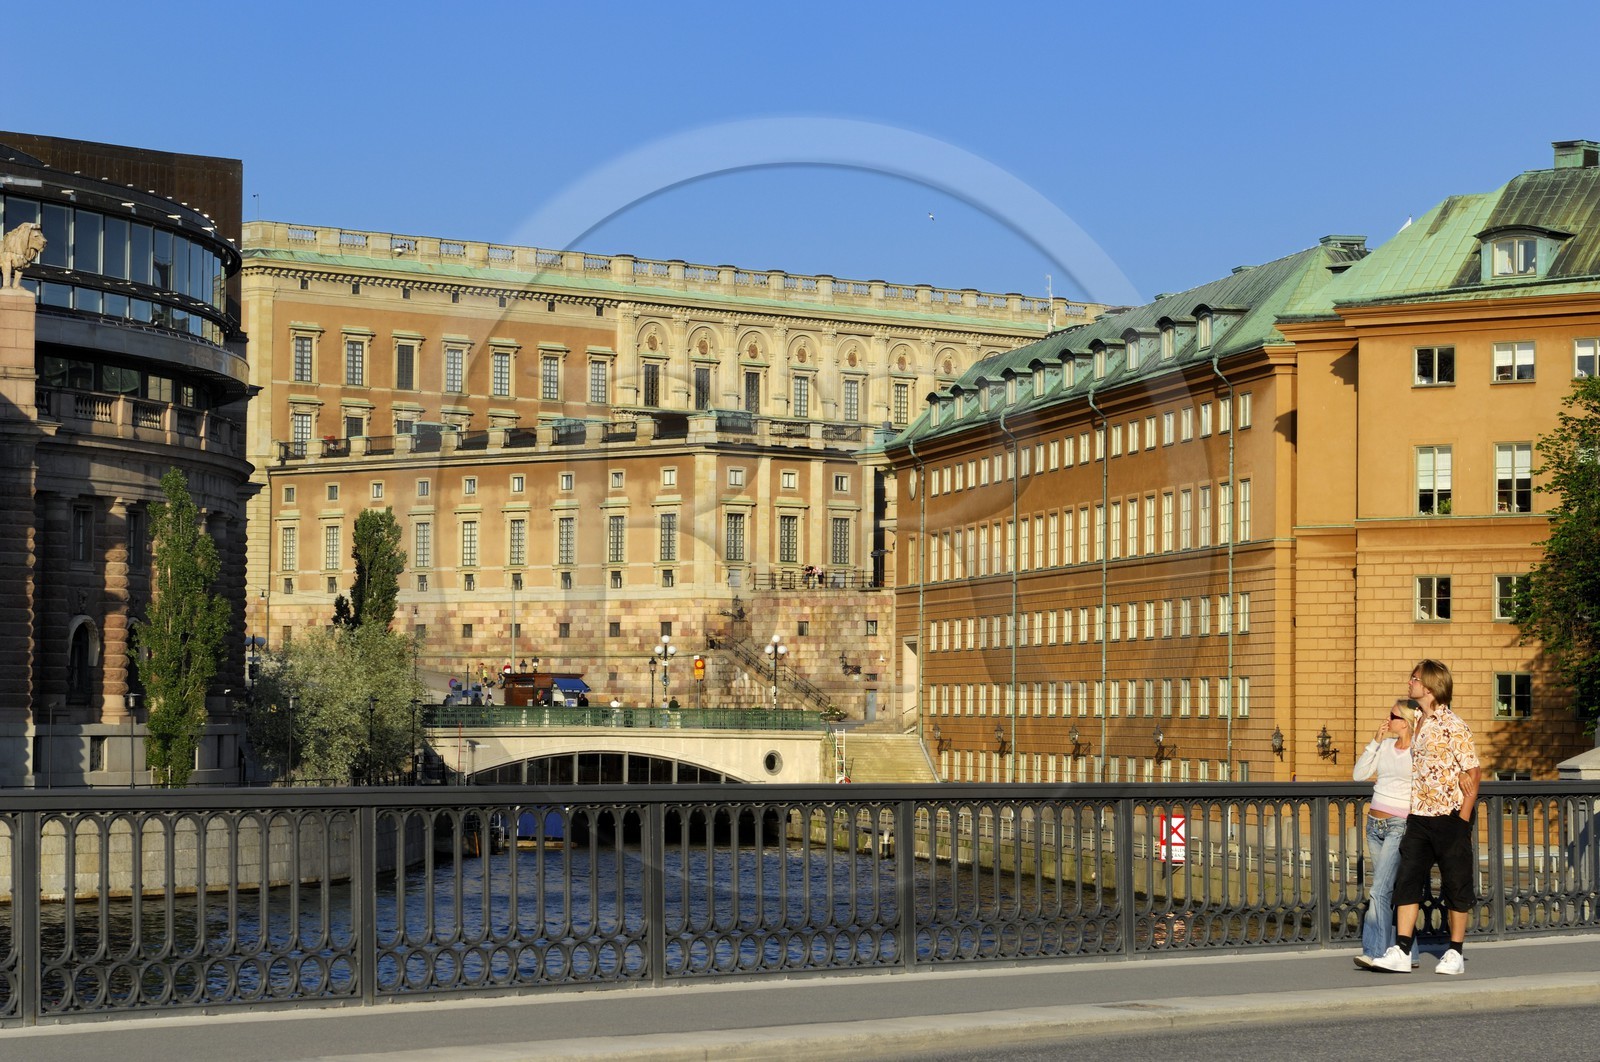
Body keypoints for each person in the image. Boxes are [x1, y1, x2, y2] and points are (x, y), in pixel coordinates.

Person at [1370, 659, 1480, 975]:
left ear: (1429, 686)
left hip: (1449, 818)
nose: (1409, 682)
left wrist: (1463, 818)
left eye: (1414, 678)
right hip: (1417, 817)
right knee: (1407, 881)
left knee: (1456, 886)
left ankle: (1455, 954)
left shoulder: (1454, 725)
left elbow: (1473, 770)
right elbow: (1395, 732)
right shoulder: (1416, 720)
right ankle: (1402, 950)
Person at [1352, 700, 1414, 969]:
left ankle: (1374, 951)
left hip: (1399, 824)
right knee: (1389, 888)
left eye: (1394, 715)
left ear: (1407, 721)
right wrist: (1375, 742)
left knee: (1378, 889)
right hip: (1373, 823)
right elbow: (1359, 774)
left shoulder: (1419, 750)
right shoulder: (1386, 746)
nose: (1388, 720)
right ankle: (1410, 951)